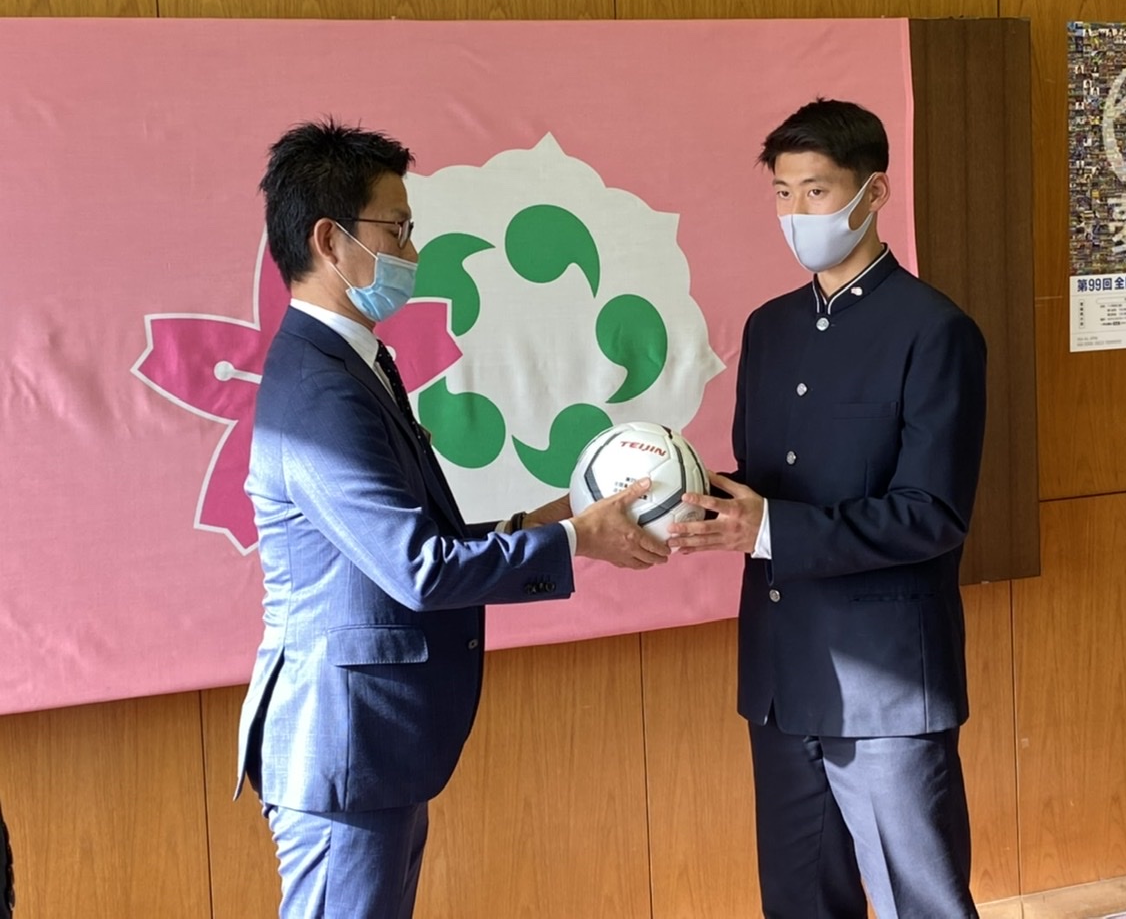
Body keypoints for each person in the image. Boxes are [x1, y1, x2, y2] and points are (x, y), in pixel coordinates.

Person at [234, 118, 669, 919]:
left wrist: (555, 517)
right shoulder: (319, 389)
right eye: (395, 230)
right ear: (330, 241)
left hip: (376, 749)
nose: (412, 251)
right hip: (344, 745)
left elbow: (417, 541)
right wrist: (577, 540)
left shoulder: (356, 363)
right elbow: (419, 570)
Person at [669, 98, 987, 919]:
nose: (796, 213)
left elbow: (932, 513)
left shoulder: (935, 331)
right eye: (782, 193)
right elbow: (766, 482)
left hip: (885, 689)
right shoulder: (768, 328)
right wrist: (683, 495)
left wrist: (768, 527)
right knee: (799, 904)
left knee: (921, 904)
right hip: (781, 680)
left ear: (873, 192)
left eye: (816, 191)